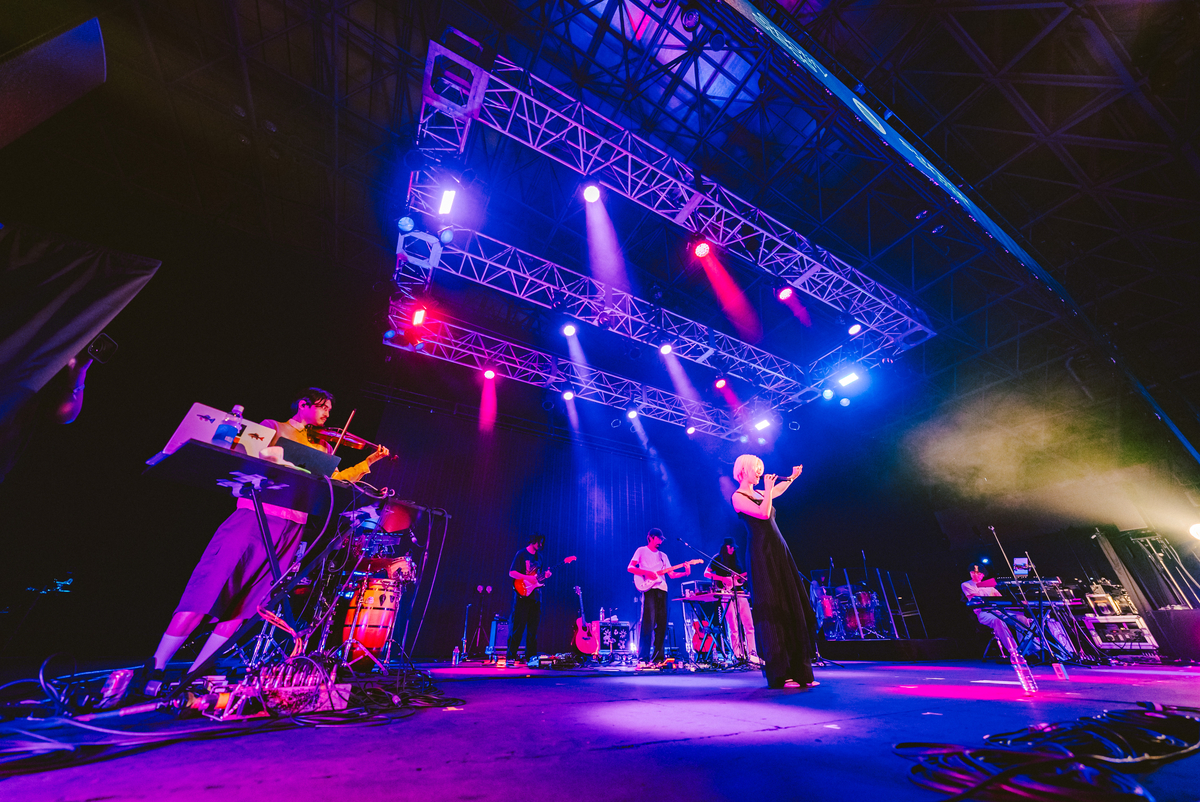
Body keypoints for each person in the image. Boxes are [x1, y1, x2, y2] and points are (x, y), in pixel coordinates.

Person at [148, 388, 389, 685]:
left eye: (329, 409)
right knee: (209, 586)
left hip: (292, 527)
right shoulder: (273, 427)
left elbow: (335, 481)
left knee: (249, 602)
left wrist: (369, 462)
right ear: (303, 405)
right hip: (255, 515)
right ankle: (156, 665)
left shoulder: (325, 447)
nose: (327, 414)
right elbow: (253, 460)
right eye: (322, 407)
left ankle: (198, 670)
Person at [730, 455, 817, 689]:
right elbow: (763, 513)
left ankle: (801, 672)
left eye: (761, 468)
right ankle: (781, 674)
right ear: (743, 471)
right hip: (762, 553)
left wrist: (791, 478)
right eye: (755, 469)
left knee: (789, 605)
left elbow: (776, 491)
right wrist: (768, 490)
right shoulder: (738, 497)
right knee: (772, 607)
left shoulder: (762, 493)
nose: (760, 472)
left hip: (779, 550)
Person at [962, 564, 1072, 660]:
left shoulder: (989, 585)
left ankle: (1031, 650)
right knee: (998, 621)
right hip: (984, 613)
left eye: (978, 573)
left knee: (1022, 618)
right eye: (973, 572)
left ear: (983, 574)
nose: (975, 574)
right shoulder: (966, 584)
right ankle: (1014, 652)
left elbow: (1000, 599)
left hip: (999, 611)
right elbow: (977, 598)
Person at [628, 528, 691, 667]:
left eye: (662, 539)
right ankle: (643, 658)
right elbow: (630, 568)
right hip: (649, 589)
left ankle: (658, 658)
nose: (660, 541)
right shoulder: (641, 550)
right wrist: (647, 573)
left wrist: (685, 573)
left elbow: (672, 575)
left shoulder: (663, 556)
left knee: (662, 625)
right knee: (648, 624)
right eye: (658, 538)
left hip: (663, 590)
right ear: (650, 537)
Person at [704, 538, 760, 665]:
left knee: (749, 624)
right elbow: (706, 574)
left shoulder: (736, 559)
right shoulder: (717, 558)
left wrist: (743, 579)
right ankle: (737, 654)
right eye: (731, 547)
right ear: (725, 547)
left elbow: (739, 579)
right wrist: (722, 578)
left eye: (734, 547)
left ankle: (752, 653)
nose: (733, 549)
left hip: (739, 593)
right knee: (733, 626)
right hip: (726, 594)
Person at [507, 534, 550, 663]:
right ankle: (511, 657)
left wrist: (545, 576)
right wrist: (528, 578)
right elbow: (512, 573)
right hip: (522, 595)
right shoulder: (521, 554)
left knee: (533, 630)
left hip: (536, 597)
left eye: (542, 543)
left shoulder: (540, 557)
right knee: (518, 628)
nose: (541, 545)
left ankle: (531, 658)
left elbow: (537, 579)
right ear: (533, 541)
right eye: (539, 542)